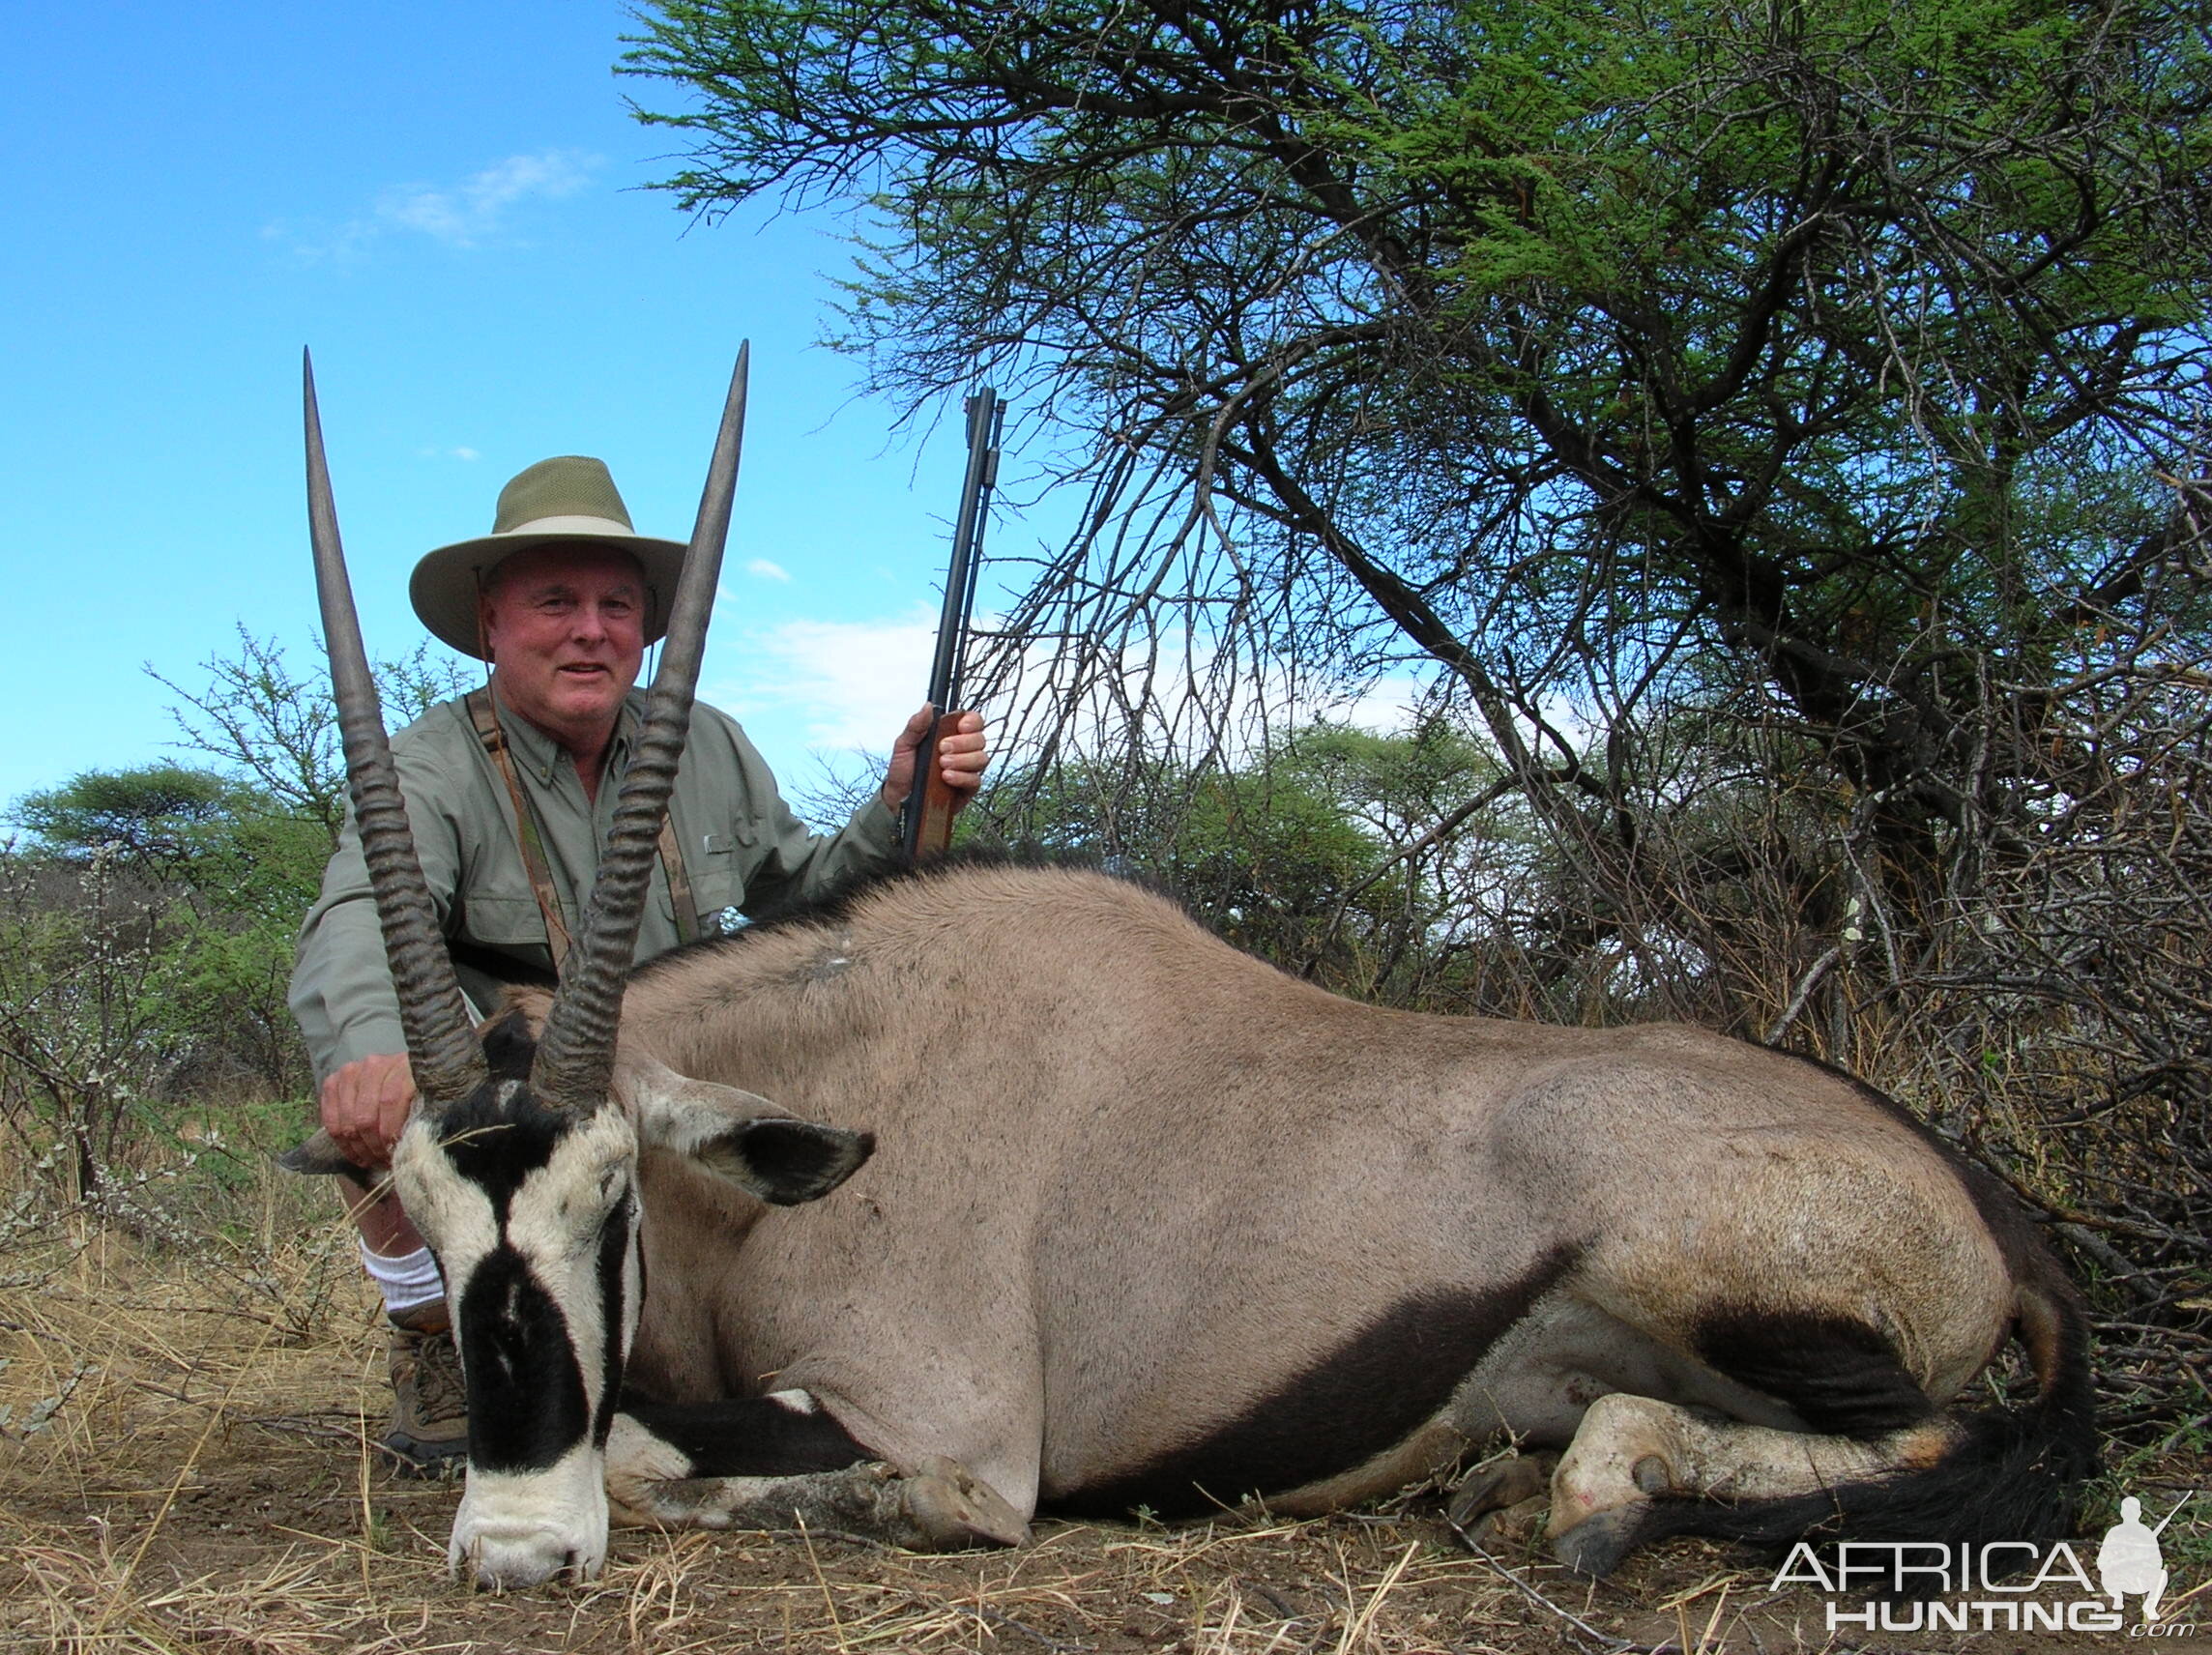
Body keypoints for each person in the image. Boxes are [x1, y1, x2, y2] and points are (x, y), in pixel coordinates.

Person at [287, 454, 989, 1473]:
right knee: (389, 1100)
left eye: (617, 604)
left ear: (649, 625)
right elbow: (356, 913)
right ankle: (436, 1342)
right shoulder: (428, 764)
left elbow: (801, 899)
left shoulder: (707, 744)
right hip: (516, 1114)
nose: (590, 628)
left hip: (664, 1087)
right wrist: (372, 1052)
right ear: (489, 623)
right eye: (555, 601)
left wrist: (900, 807)